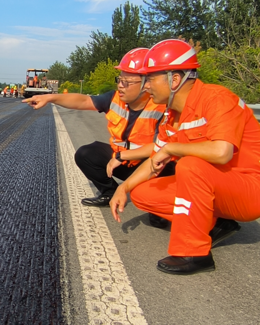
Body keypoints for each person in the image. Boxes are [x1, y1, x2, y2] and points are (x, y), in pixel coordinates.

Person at [109, 39, 260, 275]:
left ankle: (195, 253)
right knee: (142, 193)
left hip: (248, 190)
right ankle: (215, 223)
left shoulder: (216, 99)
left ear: (175, 79)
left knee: (190, 165)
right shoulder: (171, 115)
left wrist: (172, 149)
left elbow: (222, 152)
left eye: (150, 78)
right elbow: (154, 160)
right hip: (214, 186)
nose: (146, 86)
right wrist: (124, 187)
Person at [23, 48, 172, 228]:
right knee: (87, 153)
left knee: (158, 214)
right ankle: (109, 192)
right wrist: (50, 97)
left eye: (127, 82)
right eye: (120, 80)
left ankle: (171, 205)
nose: (120, 86)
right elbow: (85, 101)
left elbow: (163, 147)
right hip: (123, 161)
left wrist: (121, 157)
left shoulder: (163, 107)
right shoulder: (115, 98)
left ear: (146, 84)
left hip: (153, 165)